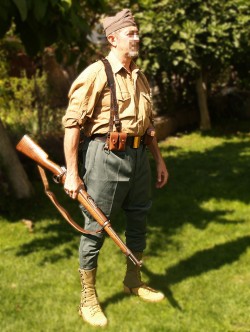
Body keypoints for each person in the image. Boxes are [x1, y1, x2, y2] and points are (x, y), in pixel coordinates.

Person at [62, 8, 169, 328]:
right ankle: (88, 298)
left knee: (139, 217)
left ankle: (133, 280)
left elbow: (147, 126)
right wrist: (72, 172)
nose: (137, 38)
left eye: (137, 33)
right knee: (95, 227)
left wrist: (159, 159)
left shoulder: (140, 76)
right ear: (112, 38)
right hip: (104, 157)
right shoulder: (96, 73)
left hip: (139, 159)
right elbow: (72, 125)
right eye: (131, 33)